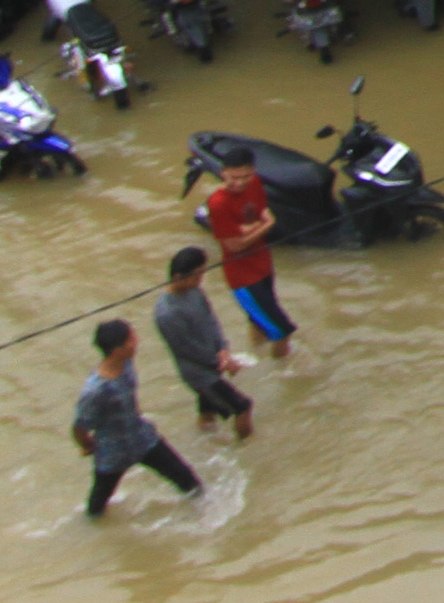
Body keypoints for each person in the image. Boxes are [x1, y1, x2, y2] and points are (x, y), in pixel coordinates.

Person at [75, 321, 201, 520]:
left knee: (188, 481)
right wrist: (88, 445)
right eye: (131, 340)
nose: (136, 342)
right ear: (117, 350)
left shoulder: (126, 363)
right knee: (96, 508)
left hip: (142, 438)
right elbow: (80, 426)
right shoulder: (95, 391)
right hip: (113, 453)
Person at [151, 247, 254, 444]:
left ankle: (205, 442)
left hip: (214, 361)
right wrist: (220, 361)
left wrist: (223, 348)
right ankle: (245, 446)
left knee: (208, 410)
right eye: (196, 276)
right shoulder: (166, 313)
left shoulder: (194, 291)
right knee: (242, 407)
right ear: (178, 276)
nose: (200, 281)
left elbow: (210, 320)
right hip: (199, 373)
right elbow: (186, 349)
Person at [200, 154, 295, 361]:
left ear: (252, 171)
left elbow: (260, 211)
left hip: (263, 265)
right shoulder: (218, 204)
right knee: (282, 330)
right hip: (243, 279)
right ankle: (285, 370)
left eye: (245, 176)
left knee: (257, 319)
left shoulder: (255, 183)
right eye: (233, 177)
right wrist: (266, 226)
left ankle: (257, 354)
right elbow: (234, 245)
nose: (240, 183)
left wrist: (249, 229)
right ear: (223, 173)